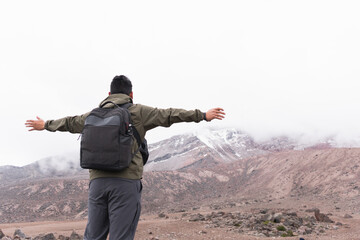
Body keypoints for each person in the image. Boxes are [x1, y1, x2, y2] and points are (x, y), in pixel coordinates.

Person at [25, 75, 225, 240]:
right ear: (131, 94)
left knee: (93, 236)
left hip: (97, 184)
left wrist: (46, 124)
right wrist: (202, 115)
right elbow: (170, 115)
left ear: (109, 94)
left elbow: (69, 123)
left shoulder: (93, 115)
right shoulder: (138, 111)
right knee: (121, 237)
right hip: (125, 183)